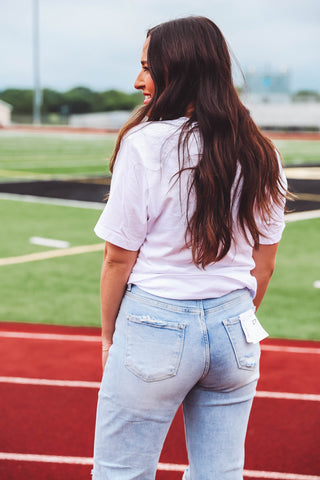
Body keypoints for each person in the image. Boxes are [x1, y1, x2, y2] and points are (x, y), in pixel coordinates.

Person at [91, 16, 287, 480]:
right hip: (235, 328)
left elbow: (118, 257)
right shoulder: (263, 151)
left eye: (148, 66)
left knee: (121, 473)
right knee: (220, 473)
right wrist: (230, 314)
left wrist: (108, 334)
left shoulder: (145, 144)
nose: (139, 80)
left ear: (179, 69)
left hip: (155, 323)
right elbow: (265, 264)